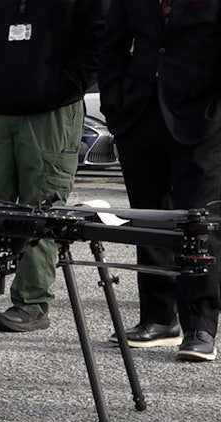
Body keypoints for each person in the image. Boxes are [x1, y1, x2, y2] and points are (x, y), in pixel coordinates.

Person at [0, 0, 105, 333]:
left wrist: (65, 86)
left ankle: (31, 304)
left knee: (41, 208)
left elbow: (98, 39)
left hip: (52, 112)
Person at [98, 0, 221, 362]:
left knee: (201, 224)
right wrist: (113, 101)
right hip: (139, 115)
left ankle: (201, 325)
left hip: (203, 121)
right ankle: (158, 318)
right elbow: (112, 45)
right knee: (148, 220)